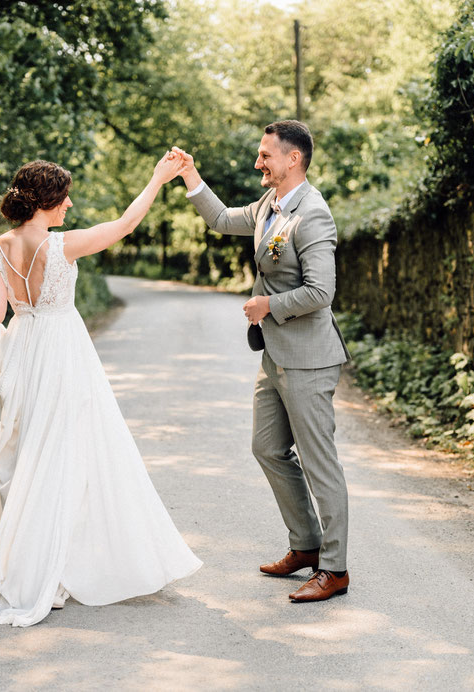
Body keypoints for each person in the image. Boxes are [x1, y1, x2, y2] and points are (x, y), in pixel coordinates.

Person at [0, 152, 201, 627]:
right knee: (59, 457)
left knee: (24, 456)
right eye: (63, 198)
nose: (69, 205)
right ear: (45, 201)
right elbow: (125, 223)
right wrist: (160, 178)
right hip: (62, 353)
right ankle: (48, 569)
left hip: (22, 351)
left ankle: (28, 559)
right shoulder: (62, 246)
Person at [172, 120, 351, 602]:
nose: (258, 163)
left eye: (265, 155)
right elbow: (223, 219)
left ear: (293, 158)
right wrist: (190, 176)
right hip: (274, 356)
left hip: (309, 358)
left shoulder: (312, 214)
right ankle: (307, 546)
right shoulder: (270, 205)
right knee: (267, 448)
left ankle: (334, 569)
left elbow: (321, 291)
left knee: (320, 464)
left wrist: (267, 305)